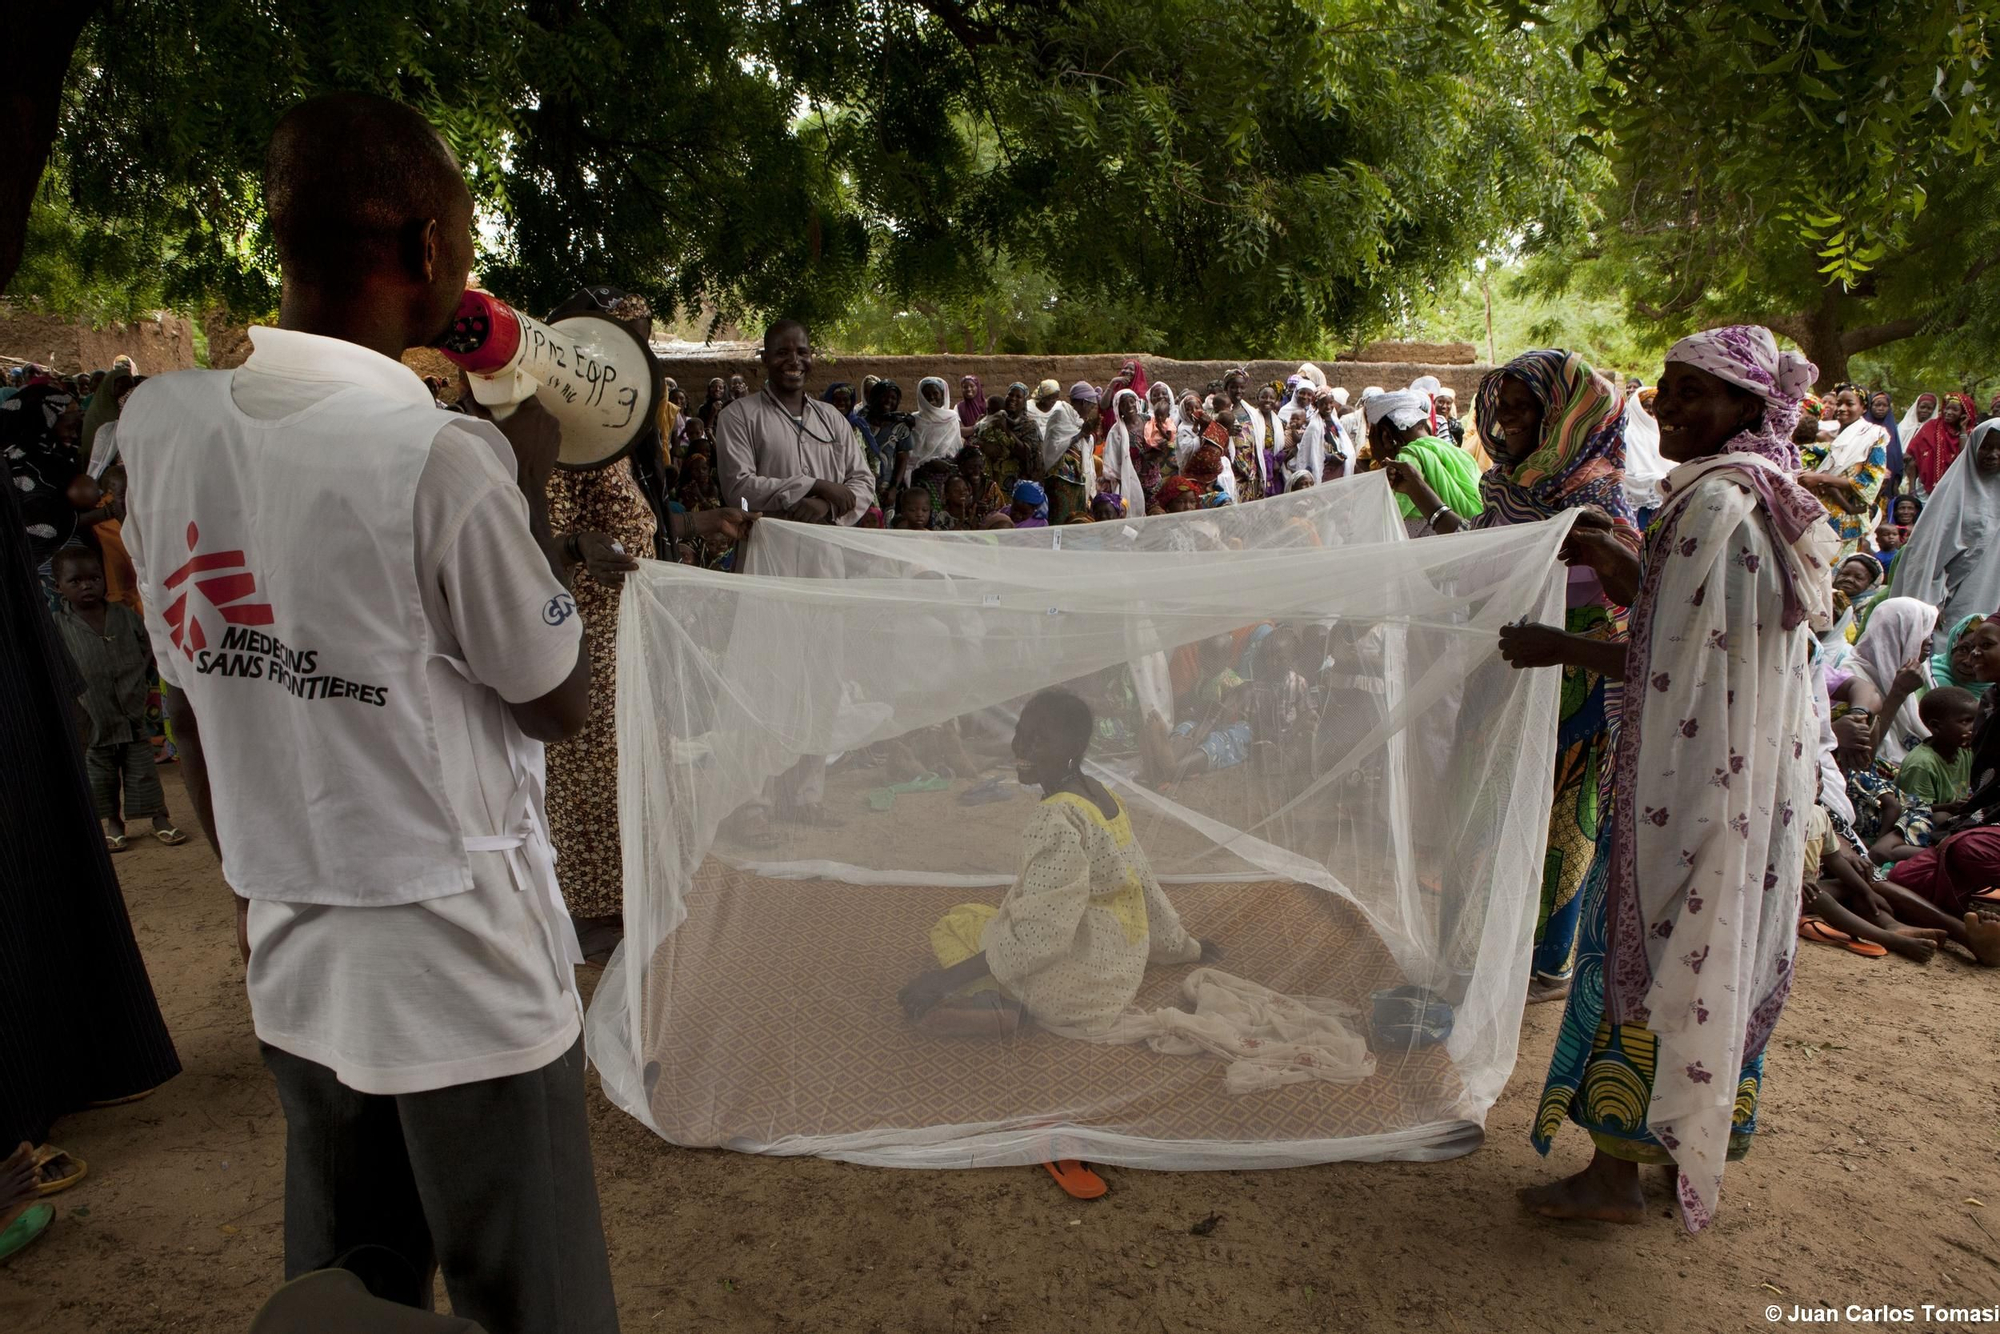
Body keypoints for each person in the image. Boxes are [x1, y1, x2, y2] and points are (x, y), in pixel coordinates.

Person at [116, 93, 617, 1331]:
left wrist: (250, 882)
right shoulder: (440, 463)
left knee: (343, 1295)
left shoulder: (159, 428)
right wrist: (530, 480)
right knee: (533, 1301)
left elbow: (189, 691)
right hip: (466, 980)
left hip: (298, 958)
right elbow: (557, 696)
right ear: (426, 251)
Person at [1498, 324, 1837, 1233]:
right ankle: (1661, 1151)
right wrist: (1624, 567)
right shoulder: (1762, 498)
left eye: (1695, 392)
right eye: (1667, 387)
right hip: (1743, 775)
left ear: (1747, 408)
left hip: (1686, 779)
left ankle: (1614, 1174)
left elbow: (1676, 659)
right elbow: (1710, 627)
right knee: (1705, 948)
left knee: (1647, 951)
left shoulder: (1714, 506)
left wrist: (1560, 646)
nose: (1670, 406)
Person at [898, 689, 1213, 1039]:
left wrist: (942, 981)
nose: (1021, 747)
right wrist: (1184, 946)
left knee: (956, 924)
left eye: (1039, 740)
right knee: (1000, 922)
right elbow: (1142, 884)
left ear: (1071, 750)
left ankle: (1002, 1006)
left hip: (1075, 991)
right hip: (1119, 970)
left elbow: (1042, 938)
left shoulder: (1057, 819)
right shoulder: (1102, 795)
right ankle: (1004, 999)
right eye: (1021, 733)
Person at [1469, 349, 1636, 1000]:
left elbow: (1629, 589)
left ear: (1562, 413)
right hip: (1516, 651)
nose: (1507, 417)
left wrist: (1564, 637)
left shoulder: (1594, 490)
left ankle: (1550, 961)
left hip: (1578, 664)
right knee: (1501, 797)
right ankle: (1501, 939)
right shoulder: (1509, 485)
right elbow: (1483, 557)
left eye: (1523, 405)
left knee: (1567, 807)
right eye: (1502, 404)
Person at [49, 547, 187, 852]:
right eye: (76, 581)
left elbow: (147, 643)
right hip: (92, 714)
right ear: (59, 587)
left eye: (94, 578)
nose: (87, 585)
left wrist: (137, 676)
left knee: (143, 770)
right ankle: (113, 823)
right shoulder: (58, 625)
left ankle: (159, 818)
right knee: (100, 775)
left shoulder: (125, 616)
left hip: (131, 709)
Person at [717, 320, 876, 528]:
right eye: (782, 353)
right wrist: (814, 485)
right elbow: (739, 488)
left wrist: (827, 505)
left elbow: (862, 480)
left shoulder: (832, 418)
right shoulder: (738, 416)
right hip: (770, 549)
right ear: (765, 358)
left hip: (828, 548)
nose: (794, 361)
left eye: (802, 352)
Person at [1889, 420, 2000, 630]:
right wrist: (1927, 604)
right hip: (1942, 605)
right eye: (1986, 446)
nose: (1993, 454)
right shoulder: (1952, 494)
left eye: (1999, 448)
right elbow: (1925, 554)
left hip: (1986, 599)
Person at [1836, 595, 1938, 766]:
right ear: (1897, 635)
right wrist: (1898, 693)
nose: (1929, 642)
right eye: (1923, 633)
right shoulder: (1851, 676)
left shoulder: (1917, 671)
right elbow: (1863, 751)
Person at [1370, 389, 1484, 534]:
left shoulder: (1406, 461)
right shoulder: (1456, 452)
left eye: (1372, 438)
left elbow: (1384, 522)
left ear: (1385, 436)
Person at [1798, 385, 1889, 557]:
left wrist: (1821, 478)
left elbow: (1869, 483)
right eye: (1839, 403)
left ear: (1863, 408)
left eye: (1849, 404)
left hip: (1844, 522)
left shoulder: (1873, 437)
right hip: (1810, 516)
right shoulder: (1820, 436)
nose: (1841, 409)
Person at [1895, 687, 1979, 806]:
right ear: (1935, 726)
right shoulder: (1921, 764)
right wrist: (1950, 807)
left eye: (1976, 720)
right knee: (1941, 817)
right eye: (1965, 721)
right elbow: (1914, 807)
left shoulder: (1964, 750)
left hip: (1954, 811)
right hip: (1920, 817)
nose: (1974, 727)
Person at [1903, 393, 1971, 500]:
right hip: (1923, 488)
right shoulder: (1931, 426)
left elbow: (1964, 456)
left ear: (1963, 413)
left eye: (1955, 410)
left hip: (1953, 487)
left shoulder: (1969, 432)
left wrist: (1963, 429)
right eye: (1947, 408)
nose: (1949, 412)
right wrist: (1911, 489)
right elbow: (1911, 458)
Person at [907, 376, 962, 484]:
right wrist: (929, 463)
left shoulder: (951, 418)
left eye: (935, 393)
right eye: (926, 394)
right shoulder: (914, 420)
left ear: (942, 396)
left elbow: (955, 448)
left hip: (948, 472)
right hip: (921, 475)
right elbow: (912, 454)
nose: (931, 397)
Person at [955, 374, 985, 440]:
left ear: (977, 387)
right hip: (968, 446)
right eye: (965, 387)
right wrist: (978, 427)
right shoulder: (959, 407)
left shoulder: (987, 405)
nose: (968, 389)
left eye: (972, 386)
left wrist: (970, 430)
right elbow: (960, 431)